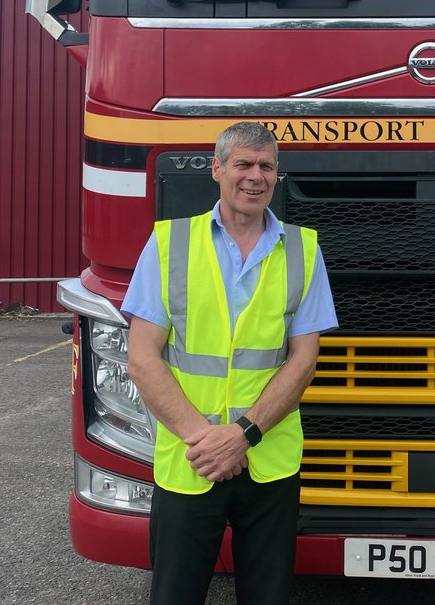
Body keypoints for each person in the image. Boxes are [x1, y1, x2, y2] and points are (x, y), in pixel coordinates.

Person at [124, 121, 337, 605]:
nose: (255, 176)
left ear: (277, 174)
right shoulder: (169, 243)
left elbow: (304, 361)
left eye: (266, 166)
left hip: (268, 461)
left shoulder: (303, 249)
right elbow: (142, 359)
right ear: (217, 169)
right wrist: (209, 442)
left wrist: (242, 435)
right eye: (243, 164)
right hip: (191, 459)